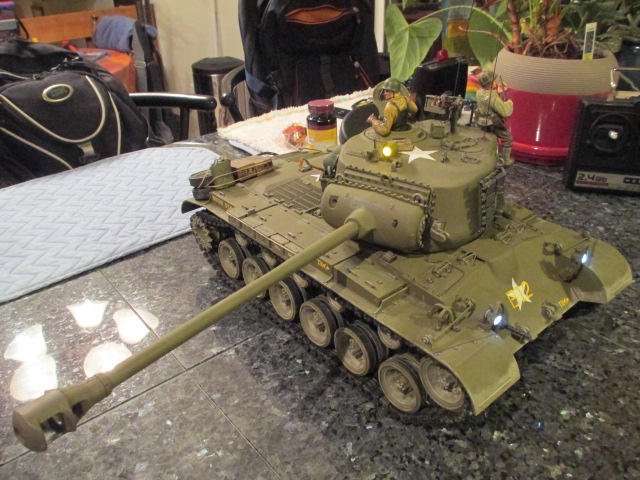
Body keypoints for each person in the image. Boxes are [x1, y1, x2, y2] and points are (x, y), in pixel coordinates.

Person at [476, 70, 514, 166]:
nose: (496, 81)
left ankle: (487, 156)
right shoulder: (493, 98)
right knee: (508, 138)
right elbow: (505, 112)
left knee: (488, 138)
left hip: (481, 121)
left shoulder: (479, 93)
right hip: (493, 122)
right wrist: (509, 103)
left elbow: (487, 96)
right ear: (491, 82)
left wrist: (498, 91)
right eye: (494, 80)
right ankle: (506, 160)